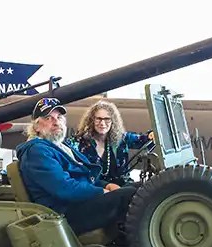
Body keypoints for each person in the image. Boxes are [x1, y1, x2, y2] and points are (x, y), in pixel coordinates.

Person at [15, 97, 138, 236]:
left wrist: (107, 185)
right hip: (63, 213)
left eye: (59, 117)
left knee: (140, 188)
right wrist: (102, 191)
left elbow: (84, 176)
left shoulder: (60, 147)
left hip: (77, 203)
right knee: (130, 195)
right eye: (48, 118)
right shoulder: (37, 151)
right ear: (36, 126)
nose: (56, 122)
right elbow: (64, 188)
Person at [65, 100, 154, 186]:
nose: (102, 123)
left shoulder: (121, 138)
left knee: (146, 187)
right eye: (98, 119)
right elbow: (63, 150)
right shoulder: (78, 141)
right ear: (92, 120)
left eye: (107, 119)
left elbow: (143, 141)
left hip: (122, 185)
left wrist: (151, 135)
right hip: (95, 190)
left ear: (113, 121)